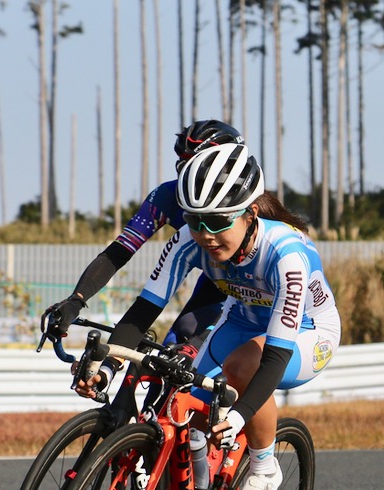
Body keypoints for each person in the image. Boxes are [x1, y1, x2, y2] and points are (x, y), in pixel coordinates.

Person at [79, 142, 339, 490]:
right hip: (242, 322)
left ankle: (265, 469)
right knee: (176, 409)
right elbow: (144, 310)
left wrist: (240, 415)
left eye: (218, 222)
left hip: (306, 333)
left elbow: (275, 356)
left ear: (251, 213)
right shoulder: (188, 241)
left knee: (243, 366)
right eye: (196, 221)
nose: (205, 234)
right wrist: (109, 364)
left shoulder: (287, 255)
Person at [41, 119, 244, 344]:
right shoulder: (168, 196)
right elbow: (118, 253)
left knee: (190, 343)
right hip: (214, 281)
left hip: (252, 292)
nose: (186, 173)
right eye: (182, 163)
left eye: (195, 164)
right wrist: (76, 300)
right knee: (171, 346)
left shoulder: (252, 203)